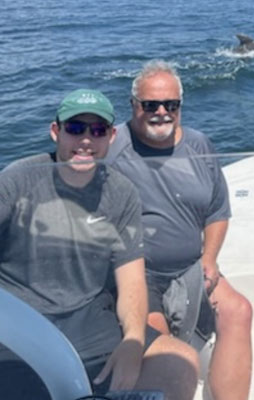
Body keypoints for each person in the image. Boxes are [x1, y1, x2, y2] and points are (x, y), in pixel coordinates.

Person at [0, 89, 199, 400]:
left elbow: (131, 280)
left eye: (97, 130)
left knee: (180, 364)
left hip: (91, 321)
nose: (86, 141)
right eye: (75, 129)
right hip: (23, 324)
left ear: (111, 136)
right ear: (56, 132)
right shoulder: (16, 179)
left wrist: (133, 340)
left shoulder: (122, 193)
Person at [105, 59, 253, 400]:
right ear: (133, 106)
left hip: (191, 267)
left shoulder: (201, 146)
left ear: (180, 106)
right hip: (139, 274)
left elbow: (218, 210)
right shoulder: (112, 148)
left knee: (239, 311)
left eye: (170, 104)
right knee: (162, 343)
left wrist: (210, 260)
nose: (161, 112)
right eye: (150, 104)